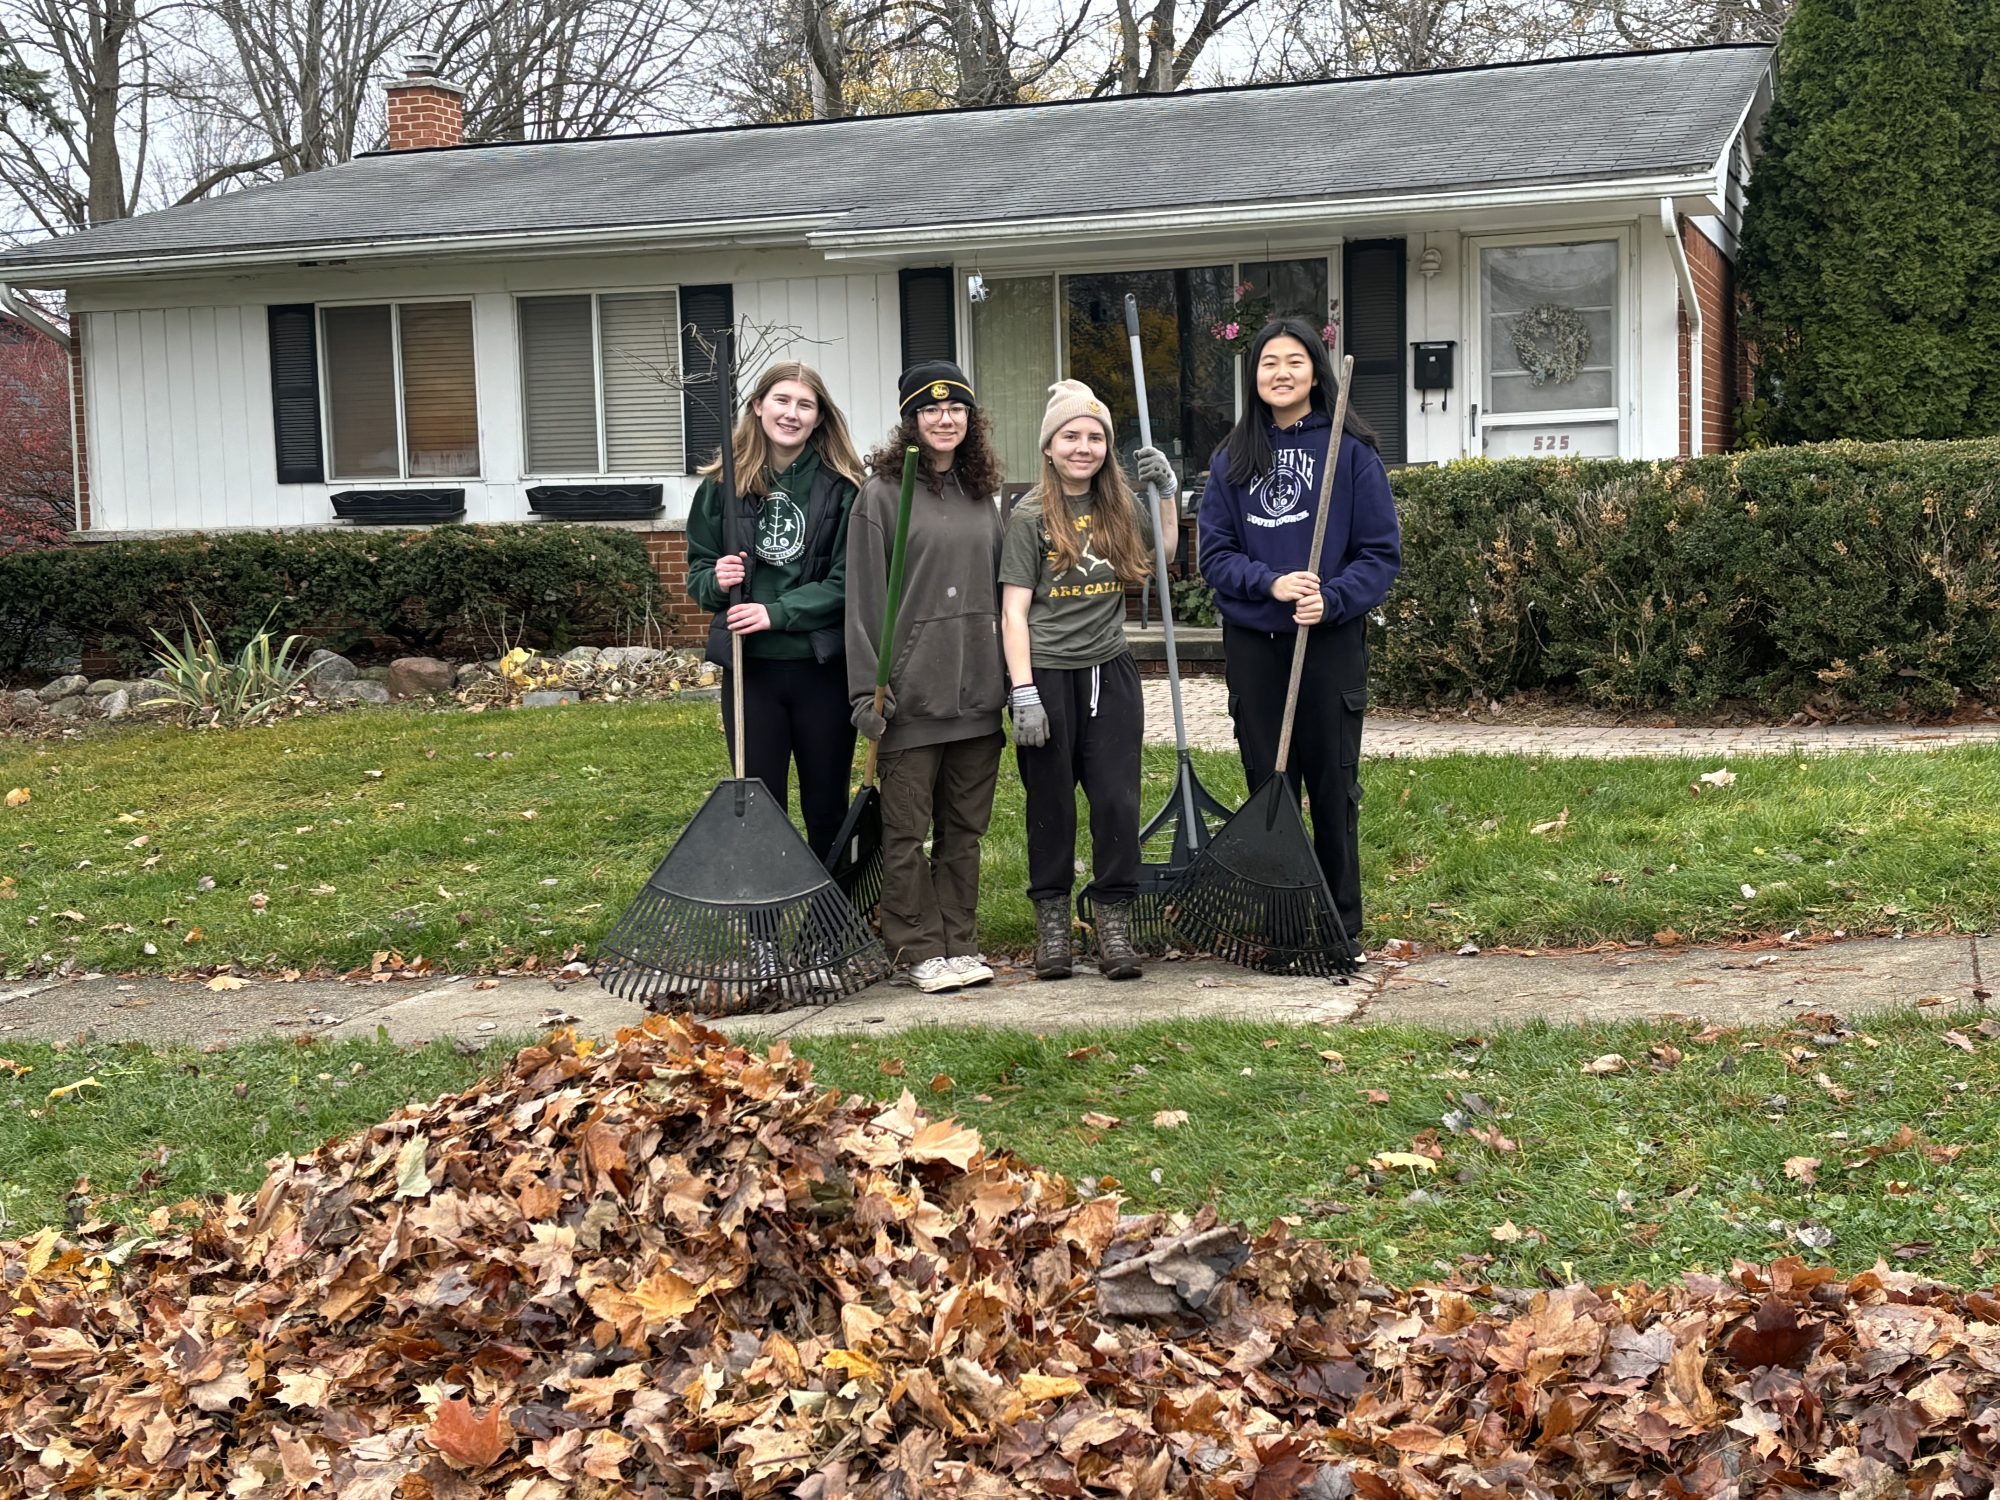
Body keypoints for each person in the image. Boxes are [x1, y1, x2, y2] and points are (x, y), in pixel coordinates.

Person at [1196, 318, 1401, 958]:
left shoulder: (1351, 452)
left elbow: (1378, 553)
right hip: (1257, 645)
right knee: (1270, 782)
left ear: (1316, 370)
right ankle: (1284, 927)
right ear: (1253, 377)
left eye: (1293, 361)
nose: (1280, 373)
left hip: (1329, 643)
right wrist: (1271, 583)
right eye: (1267, 364)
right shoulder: (1232, 458)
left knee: (1333, 787)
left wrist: (1330, 596)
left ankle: (1341, 927)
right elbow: (1215, 555)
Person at [999, 379, 1176, 982]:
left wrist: (1167, 494)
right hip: (1046, 674)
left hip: (1110, 669)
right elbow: (1013, 610)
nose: (1084, 446)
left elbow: (1166, 554)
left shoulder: (1121, 505)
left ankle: (1113, 921)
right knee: (1050, 804)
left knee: (1116, 801)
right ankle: (1052, 926)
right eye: (1070, 436)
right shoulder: (1028, 517)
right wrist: (1022, 690)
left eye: (1095, 436)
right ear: (1048, 447)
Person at [846, 361, 1007, 995]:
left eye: (956, 409)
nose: (945, 419)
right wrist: (867, 693)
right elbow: (864, 599)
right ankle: (916, 945)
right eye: (931, 410)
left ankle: (959, 940)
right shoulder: (881, 495)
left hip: (976, 694)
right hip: (908, 699)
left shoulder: (982, 494)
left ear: (971, 419)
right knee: (908, 831)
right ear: (910, 421)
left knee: (963, 829)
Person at [686, 360, 865, 861]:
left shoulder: (844, 488)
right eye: (782, 401)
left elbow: (848, 582)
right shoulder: (722, 486)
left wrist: (777, 612)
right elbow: (699, 573)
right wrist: (716, 581)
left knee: (826, 806)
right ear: (758, 406)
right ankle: (764, 926)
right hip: (751, 671)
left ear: (819, 417)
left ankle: (826, 925)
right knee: (759, 806)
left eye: (805, 405)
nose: (792, 413)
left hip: (821, 668)